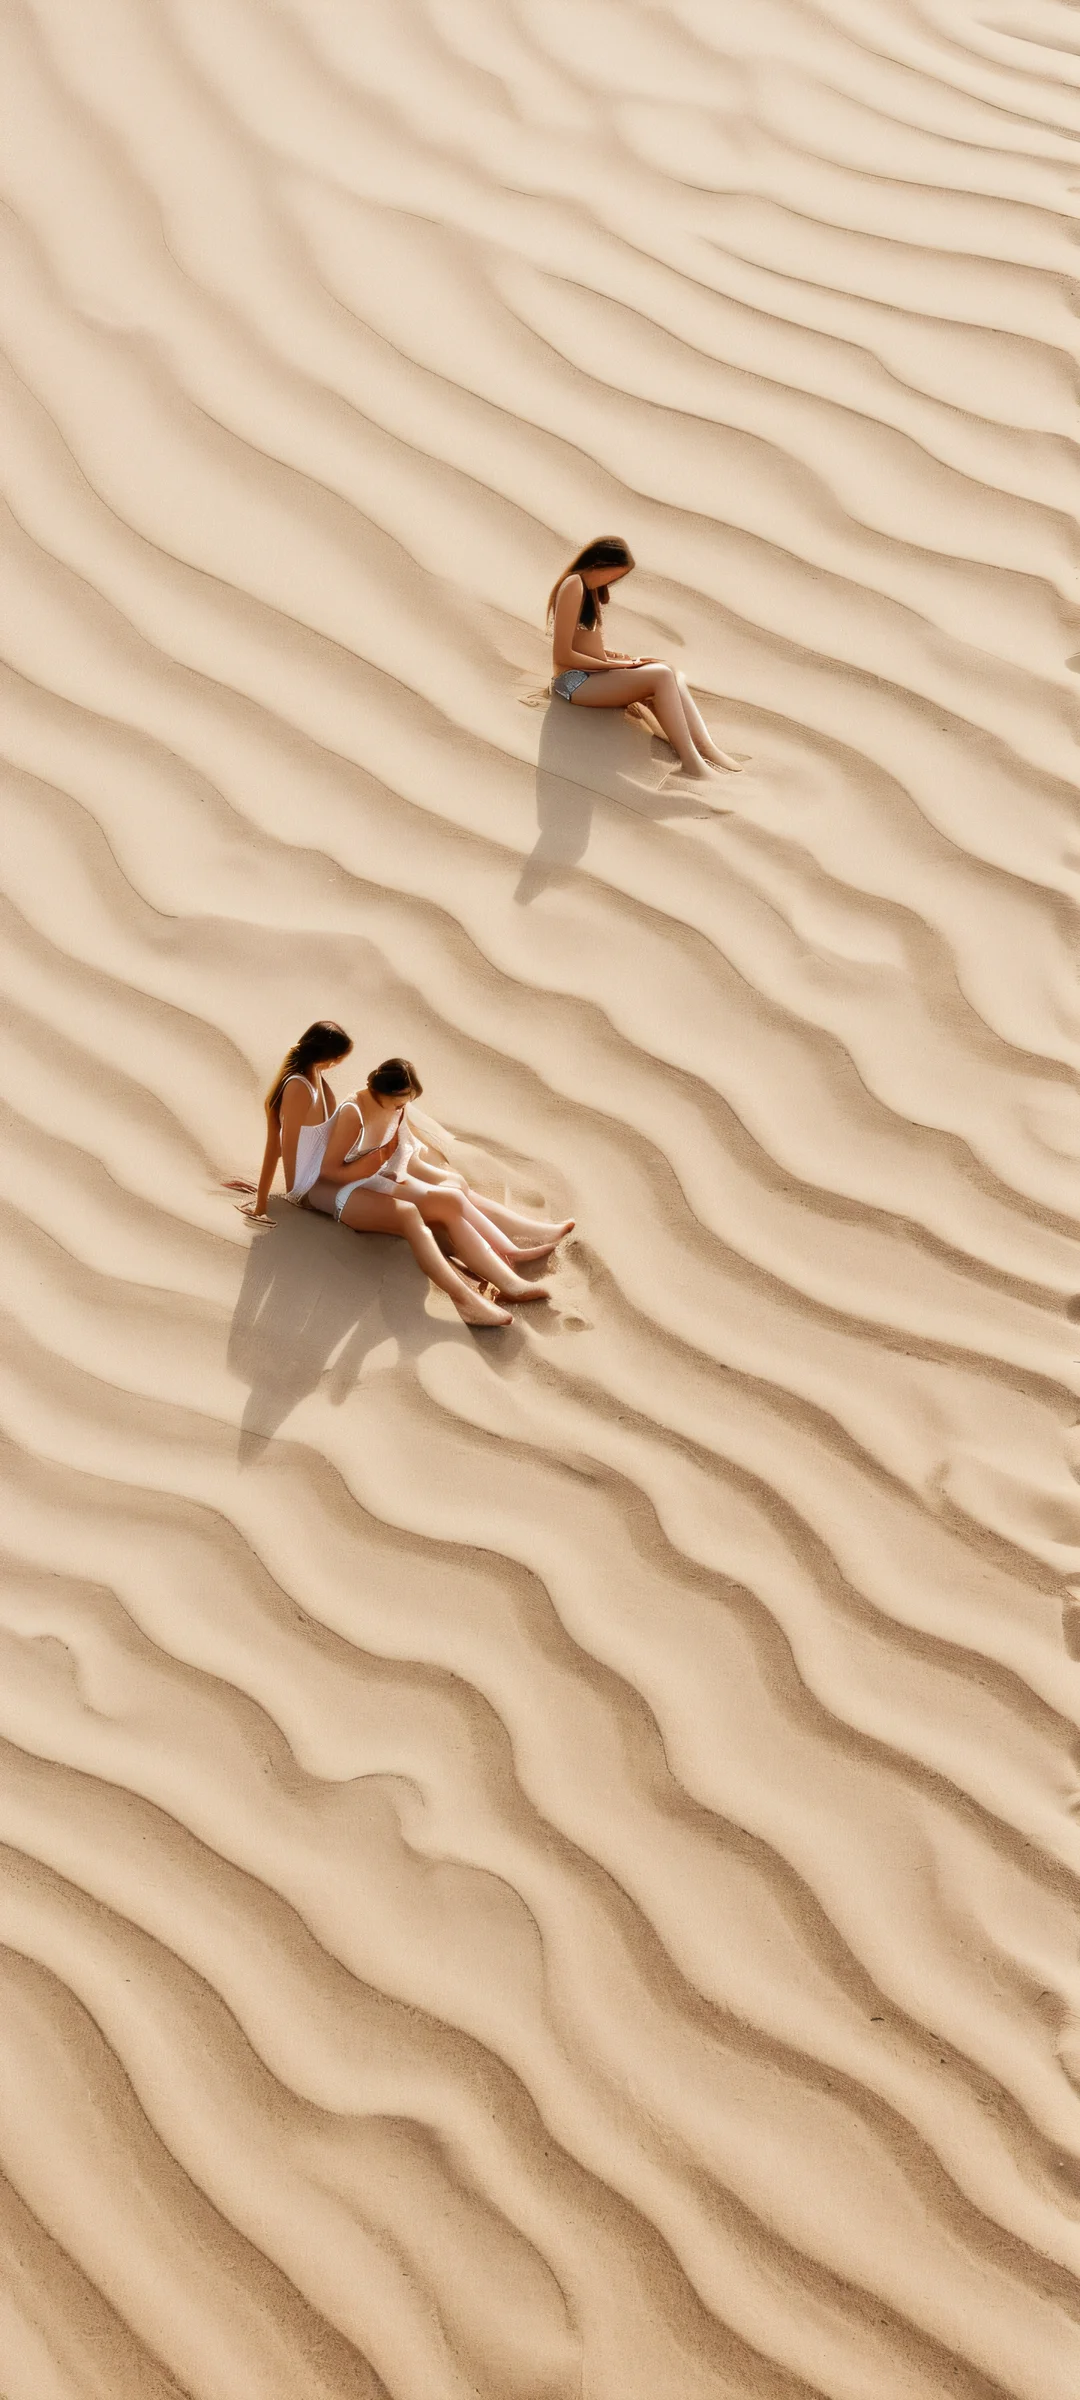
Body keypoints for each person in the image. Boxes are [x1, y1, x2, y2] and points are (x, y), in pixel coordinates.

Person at [312, 1058, 574, 1328]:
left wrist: (438, 1177)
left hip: (384, 1179)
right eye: (400, 1102)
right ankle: (507, 1263)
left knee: (454, 1192)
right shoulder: (353, 1113)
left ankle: (511, 1267)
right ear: (383, 1092)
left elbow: (404, 1158)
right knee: (448, 1200)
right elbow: (329, 1171)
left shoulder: (394, 1108)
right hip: (355, 1187)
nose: (403, 1109)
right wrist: (372, 1167)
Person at [548, 535, 743, 780]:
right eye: (614, 575)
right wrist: (618, 665)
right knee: (660, 675)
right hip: (572, 682)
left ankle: (705, 747)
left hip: (592, 675)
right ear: (598, 563)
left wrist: (623, 659)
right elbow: (563, 655)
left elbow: (585, 647)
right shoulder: (573, 585)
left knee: (669, 670)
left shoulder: (589, 590)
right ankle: (692, 763)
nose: (614, 581)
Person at [231, 1019, 354, 1223]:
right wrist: (261, 1203)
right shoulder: (298, 1087)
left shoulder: (317, 1078)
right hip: (310, 1187)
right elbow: (277, 1148)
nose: (339, 1062)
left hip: (327, 1175)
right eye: (340, 1057)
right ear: (329, 1057)